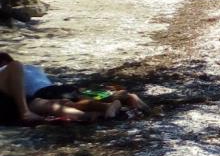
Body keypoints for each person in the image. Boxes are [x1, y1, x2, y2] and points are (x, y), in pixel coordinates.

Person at [0, 52, 148, 123]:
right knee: (85, 95)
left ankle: (109, 106)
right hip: (56, 86)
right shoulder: (31, 68)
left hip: (45, 92)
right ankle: (125, 97)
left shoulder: (8, 71)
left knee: (77, 101)